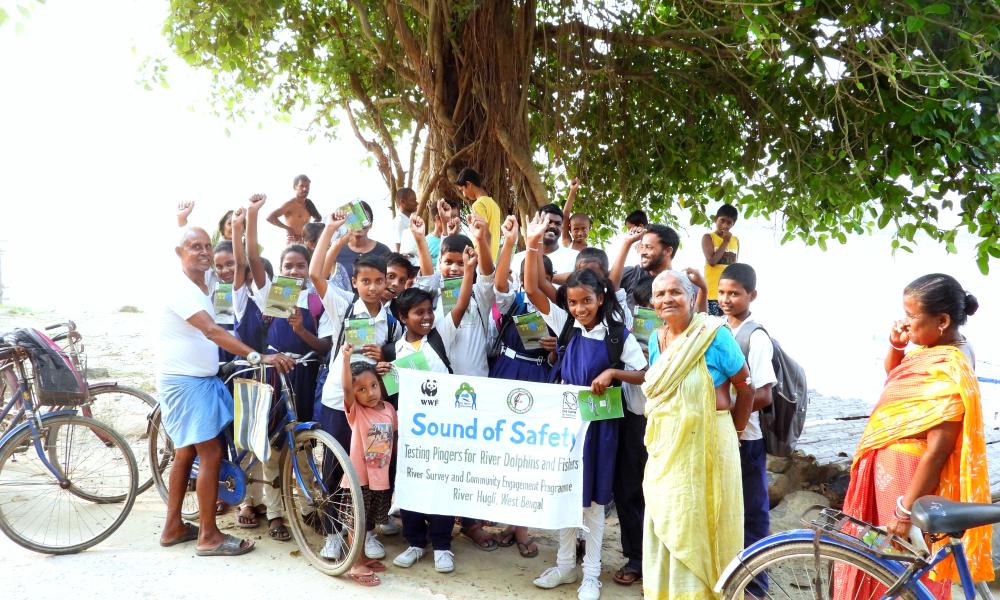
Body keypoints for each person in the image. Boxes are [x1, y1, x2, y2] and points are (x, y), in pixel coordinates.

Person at [836, 274, 990, 598]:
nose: (905, 321)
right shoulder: (934, 348)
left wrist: (904, 511)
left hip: (907, 481)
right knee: (883, 564)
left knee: (907, 572)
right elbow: (897, 378)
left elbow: (938, 448)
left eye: (911, 316)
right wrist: (896, 345)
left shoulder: (953, 364)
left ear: (942, 320)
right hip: (892, 477)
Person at [523, 213, 648, 600]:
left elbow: (643, 374)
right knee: (565, 493)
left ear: (602, 298)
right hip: (564, 425)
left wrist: (613, 372)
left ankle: (590, 574)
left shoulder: (617, 334)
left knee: (593, 502)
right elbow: (531, 289)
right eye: (574, 302)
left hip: (600, 429)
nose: (579, 309)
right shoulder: (565, 324)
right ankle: (563, 565)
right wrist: (530, 245)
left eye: (586, 301)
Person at [157, 227, 293, 556]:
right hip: (187, 383)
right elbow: (212, 329)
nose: (203, 252)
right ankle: (208, 536)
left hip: (196, 380)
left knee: (186, 453)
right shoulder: (181, 289)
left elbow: (243, 264)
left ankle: (173, 527)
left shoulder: (204, 285)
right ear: (179, 252)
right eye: (195, 247)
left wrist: (189, 220)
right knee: (211, 454)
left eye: (207, 246)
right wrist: (257, 355)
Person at [640, 269, 753, 600]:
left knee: (699, 521)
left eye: (675, 291)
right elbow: (660, 390)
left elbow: (746, 388)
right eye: (660, 294)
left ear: (692, 298)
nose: (667, 299)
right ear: (653, 303)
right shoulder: (655, 339)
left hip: (709, 445)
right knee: (666, 516)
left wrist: (737, 430)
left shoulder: (714, 335)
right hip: (665, 448)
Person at [309, 210, 399, 561]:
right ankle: (332, 532)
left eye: (379, 281)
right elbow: (316, 274)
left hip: (373, 407)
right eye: (366, 281)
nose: (373, 287)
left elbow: (394, 372)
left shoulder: (391, 322)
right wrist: (332, 231)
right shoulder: (344, 305)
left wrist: (388, 361)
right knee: (335, 467)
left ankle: (365, 532)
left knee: (371, 470)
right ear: (357, 284)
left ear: (387, 283)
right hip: (339, 401)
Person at [387, 247, 477, 573]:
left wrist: (468, 270)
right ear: (402, 317)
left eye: (428, 311)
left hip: (445, 427)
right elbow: (391, 392)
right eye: (418, 313)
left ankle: (442, 544)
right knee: (411, 481)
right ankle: (414, 542)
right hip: (410, 430)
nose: (426, 317)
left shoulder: (440, 336)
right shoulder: (391, 350)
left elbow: (462, 302)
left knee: (442, 482)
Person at [717, 263, 775, 596]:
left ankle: (757, 585)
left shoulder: (756, 337)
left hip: (747, 437)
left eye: (735, 293)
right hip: (724, 435)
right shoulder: (718, 327)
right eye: (722, 292)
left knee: (752, 514)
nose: (726, 299)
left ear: (752, 295)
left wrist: (729, 415)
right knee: (725, 510)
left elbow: (764, 394)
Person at [340, 344, 397, 586]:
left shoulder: (390, 410)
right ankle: (355, 563)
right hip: (360, 478)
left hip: (380, 479)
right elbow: (345, 388)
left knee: (369, 521)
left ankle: (362, 556)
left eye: (373, 385)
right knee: (357, 521)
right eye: (361, 389)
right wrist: (345, 359)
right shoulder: (357, 413)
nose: (370, 393)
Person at [611, 223, 707, 312]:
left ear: (668, 251)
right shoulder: (631, 274)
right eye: (642, 247)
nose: (643, 252)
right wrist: (627, 243)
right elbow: (610, 288)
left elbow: (700, 322)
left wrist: (703, 289)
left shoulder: (687, 285)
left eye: (648, 247)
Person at [513, 204, 579, 287]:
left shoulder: (576, 257)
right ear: (538, 223)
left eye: (558, 224)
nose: (553, 226)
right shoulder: (516, 259)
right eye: (548, 222)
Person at [332, 200, 392, 282]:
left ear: (371, 224)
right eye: (354, 219)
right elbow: (320, 278)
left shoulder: (383, 250)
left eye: (364, 219)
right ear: (346, 222)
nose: (359, 224)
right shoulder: (337, 250)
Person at [702, 204, 740, 316]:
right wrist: (725, 242)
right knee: (711, 327)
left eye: (729, 223)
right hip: (712, 293)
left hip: (729, 295)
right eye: (722, 220)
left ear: (733, 224)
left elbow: (735, 267)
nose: (725, 225)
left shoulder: (736, 240)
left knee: (726, 327)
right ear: (715, 219)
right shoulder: (708, 238)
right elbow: (712, 261)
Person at [455, 167, 501, 258]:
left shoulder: (478, 205)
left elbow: (482, 234)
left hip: (483, 257)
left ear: (468, 184)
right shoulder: (494, 204)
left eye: (462, 190)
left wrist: (471, 227)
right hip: (493, 257)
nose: (464, 194)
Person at [267, 174, 322, 243]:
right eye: (301, 186)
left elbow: (318, 218)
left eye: (307, 186)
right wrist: (288, 228)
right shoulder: (290, 204)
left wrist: (311, 234)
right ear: (295, 187)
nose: (305, 189)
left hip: (306, 242)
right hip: (293, 242)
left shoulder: (309, 203)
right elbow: (270, 217)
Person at [560, 177, 590, 252]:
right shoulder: (568, 243)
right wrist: (573, 191)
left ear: (589, 228)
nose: (580, 233)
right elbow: (566, 215)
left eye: (584, 229)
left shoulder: (591, 251)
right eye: (576, 229)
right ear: (569, 229)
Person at [393, 187, 418, 257]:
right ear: (402, 202)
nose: (417, 203)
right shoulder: (399, 221)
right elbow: (398, 247)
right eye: (413, 200)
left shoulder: (409, 220)